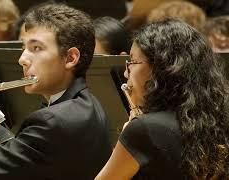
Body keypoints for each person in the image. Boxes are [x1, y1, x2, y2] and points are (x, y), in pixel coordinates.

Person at [0, 3, 112, 180]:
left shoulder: (52, 122)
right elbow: (29, 158)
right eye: (23, 48)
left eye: (36, 48)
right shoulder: (89, 104)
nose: (22, 59)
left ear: (70, 58)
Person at [95, 19, 229, 179]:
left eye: (131, 62)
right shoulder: (218, 118)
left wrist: (125, 137)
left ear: (159, 68)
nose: (125, 73)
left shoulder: (143, 130)